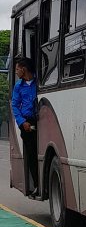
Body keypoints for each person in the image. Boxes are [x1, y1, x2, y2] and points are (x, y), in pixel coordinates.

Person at [12, 57, 38, 195]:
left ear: (24, 69)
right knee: (32, 155)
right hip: (26, 123)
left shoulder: (39, 82)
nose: (16, 72)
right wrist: (22, 122)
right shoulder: (18, 86)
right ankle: (37, 185)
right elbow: (15, 106)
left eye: (17, 69)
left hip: (40, 120)